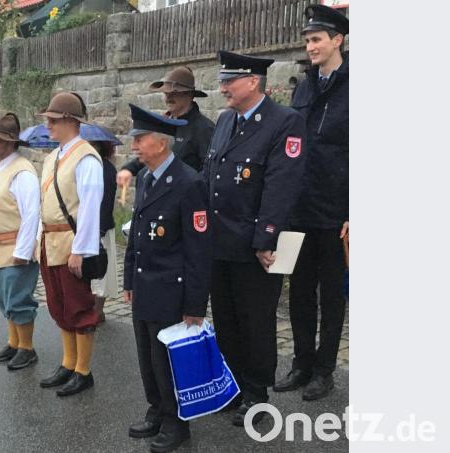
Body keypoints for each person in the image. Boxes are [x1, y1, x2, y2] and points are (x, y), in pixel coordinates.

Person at [202, 50, 306, 427]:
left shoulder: (284, 122)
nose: (222, 87)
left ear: (253, 82)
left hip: (253, 246)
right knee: (226, 319)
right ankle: (234, 386)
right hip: (219, 243)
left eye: (230, 80)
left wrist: (266, 239)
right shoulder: (226, 120)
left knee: (256, 321)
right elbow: (209, 175)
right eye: (222, 80)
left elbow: (281, 185)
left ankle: (257, 393)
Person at [123, 104, 212, 453]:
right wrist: (129, 279)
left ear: (160, 143)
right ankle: (157, 409)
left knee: (167, 361)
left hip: (171, 291)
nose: (134, 147)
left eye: (139, 139)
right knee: (147, 357)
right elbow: (137, 235)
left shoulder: (190, 183)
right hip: (145, 286)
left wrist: (194, 304)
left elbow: (198, 250)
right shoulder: (146, 178)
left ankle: (177, 423)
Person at [274, 4, 349, 401]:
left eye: (316, 39)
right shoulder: (304, 85)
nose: (311, 46)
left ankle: (324, 370)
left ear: (338, 40)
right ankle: (302, 363)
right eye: (307, 40)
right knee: (300, 289)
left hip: (336, 212)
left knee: (332, 294)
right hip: (298, 208)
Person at [37, 92, 104, 396]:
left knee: (79, 306)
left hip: (71, 242)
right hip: (50, 240)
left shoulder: (86, 156)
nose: (48, 125)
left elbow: (90, 206)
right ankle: (68, 363)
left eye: (52, 120)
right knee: (58, 304)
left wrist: (81, 249)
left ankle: (84, 370)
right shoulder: (53, 156)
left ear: (69, 121)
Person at [0, 112, 41, 370]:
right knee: (4, 299)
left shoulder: (23, 171)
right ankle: (13, 342)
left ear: (11, 142)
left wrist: (24, 250)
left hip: (15, 248)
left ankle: (27, 347)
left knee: (19, 299)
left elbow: (31, 214)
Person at [116, 66, 215, 191]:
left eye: (174, 93)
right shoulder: (163, 123)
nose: (168, 98)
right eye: (166, 93)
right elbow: (151, 153)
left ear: (189, 95)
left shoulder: (204, 128)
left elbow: (209, 171)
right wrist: (128, 169)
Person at [90, 140, 118, 322]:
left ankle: (97, 311)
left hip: (101, 226)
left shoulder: (107, 169)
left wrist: (99, 229)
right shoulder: (86, 165)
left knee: (102, 271)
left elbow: (106, 202)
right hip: (85, 226)